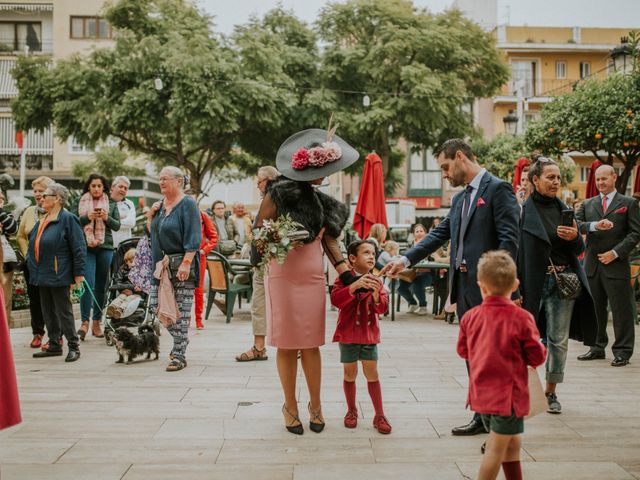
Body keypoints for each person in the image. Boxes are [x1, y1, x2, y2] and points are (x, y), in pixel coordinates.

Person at [381, 138, 520, 436]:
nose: (444, 174)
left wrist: (503, 288)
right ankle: (482, 416)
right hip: (464, 290)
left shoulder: (498, 189)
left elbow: (510, 242)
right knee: (473, 355)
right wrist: (404, 259)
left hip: (490, 292)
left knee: (494, 357)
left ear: (460, 157)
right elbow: (438, 235)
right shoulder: (459, 200)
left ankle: (500, 424)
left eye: (445, 166)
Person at [252, 127, 357, 435]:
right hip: (283, 275)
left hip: (312, 277)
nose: (324, 175)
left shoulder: (327, 203)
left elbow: (331, 243)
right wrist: (280, 237)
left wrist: (349, 276)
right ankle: (290, 406)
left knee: (311, 344)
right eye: (321, 169)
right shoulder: (278, 192)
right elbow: (259, 233)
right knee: (286, 344)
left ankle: (316, 405)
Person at [457, 251, 546, 480]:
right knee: (496, 449)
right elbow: (536, 356)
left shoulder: (470, 317)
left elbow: (462, 351)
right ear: (515, 284)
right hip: (509, 398)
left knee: (512, 443)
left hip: (481, 395)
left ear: (481, 286)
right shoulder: (522, 318)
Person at [518, 158, 597, 414]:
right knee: (523, 338)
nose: (555, 182)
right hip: (532, 282)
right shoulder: (521, 211)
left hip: (563, 282)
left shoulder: (564, 210)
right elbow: (515, 250)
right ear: (535, 180)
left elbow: (579, 250)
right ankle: (522, 388)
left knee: (558, 340)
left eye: (558, 178)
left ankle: (551, 392)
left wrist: (575, 237)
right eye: (550, 177)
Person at [575, 165, 640, 367]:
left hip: (616, 264)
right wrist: (595, 225)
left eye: (604, 179)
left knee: (622, 310)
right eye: (598, 179)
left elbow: (636, 233)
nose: (601, 183)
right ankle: (596, 347)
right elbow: (576, 224)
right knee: (594, 309)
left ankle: (622, 351)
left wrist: (615, 253)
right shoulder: (588, 204)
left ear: (614, 177)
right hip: (592, 265)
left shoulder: (629, 203)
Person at [331, 240, 391, 434]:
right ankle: (351, 411)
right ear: (352, 259)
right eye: (366, 252)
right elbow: (336, 300)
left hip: (368, 335)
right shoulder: (343, 279)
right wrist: (352, 287)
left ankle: (379, 414)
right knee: (350, 374)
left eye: (373, 253)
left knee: (372, 374)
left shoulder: (377, 281)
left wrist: (375, 295)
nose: (372, 256)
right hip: (347, 335)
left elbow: (382, 308)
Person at [148, 167, 201, 372]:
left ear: (178, 182)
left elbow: (194, 235)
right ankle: (182, 341)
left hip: (181, 264)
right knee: (156, 305)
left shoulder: (187, 203)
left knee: (181, 311)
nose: (161, 182)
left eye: (165, 179)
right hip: (161, 266)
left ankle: (179, 354)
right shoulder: (160, 205)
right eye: (159, 179)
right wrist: (151, 216)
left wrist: (187, 262)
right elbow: (151, 234)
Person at [29, 183, 86, 363]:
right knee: (47, 310)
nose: (41, 198)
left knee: (64, 311)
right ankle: (54, 343)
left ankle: (74, 345)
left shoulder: (68, 219)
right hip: (42, 271)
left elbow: (79, 247)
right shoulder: (43, 219)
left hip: (58, 271)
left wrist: (79, 273)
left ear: (58, 199)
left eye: (46, 195)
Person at [236, 166, 280, 362]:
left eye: (259, 181)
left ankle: (291, 346)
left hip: (272, 262)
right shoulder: (267, 201)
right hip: (260, 263)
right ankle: (259, 347)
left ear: (269, 180)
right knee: (258, 306)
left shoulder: (279, 200)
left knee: (278, 306)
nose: (257, 185)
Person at [76, 173, 121, 340]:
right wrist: (86, 217)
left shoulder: (111, 203)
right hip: (86, 247)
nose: (96, 188)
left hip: (105, 247)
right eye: (93, 185)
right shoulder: (80, 200)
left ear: (104, 188)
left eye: (99, 186)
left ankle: (96, 322)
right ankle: (84, 323)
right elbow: (73, 222)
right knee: (87, 283)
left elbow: (116, 225)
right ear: (89, 186)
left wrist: (106, 217)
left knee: (101, 285)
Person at [17, 176, 54, 348]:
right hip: (31, 263)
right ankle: (37, 332)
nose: (38, 195)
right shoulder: (29, 211)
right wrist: (27, 256)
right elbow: (20, 236)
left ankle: (56, 335)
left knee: (53, 299)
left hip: (51, 263)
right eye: (36, 191)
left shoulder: (57, 211)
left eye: (42, 191)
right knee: (34, 299)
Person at [397, 223, 433, 315]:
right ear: (413, 234)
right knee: (400, 287)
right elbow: (405, 256)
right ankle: (413, 303)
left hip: (426, 274)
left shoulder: (431, 244)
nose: (419, 233)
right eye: (417, 231)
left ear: (425, 233)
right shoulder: (411, 245)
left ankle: (423, 306)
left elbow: (433, 259)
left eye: (421, 231)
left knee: (417, 283)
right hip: (412, 273)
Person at [194, 205, 218, 329]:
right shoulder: (179, 212)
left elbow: (214, 237)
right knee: (182, 288)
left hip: (199, 257)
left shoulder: (203, 215)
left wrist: (204, 250)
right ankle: (184, 319)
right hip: (182, 256)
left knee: (198, 288)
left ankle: (198, 319)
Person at [106, 248, 142, 320]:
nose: (129, 263)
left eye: (131, 261)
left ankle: (120, 310)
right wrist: (122, 289)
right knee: (120, 297)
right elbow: (117, 281)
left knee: (128, 299)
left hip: (136, 293)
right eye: (127, 262)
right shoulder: (122, 270)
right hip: (124, 291)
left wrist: (141, 288)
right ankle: (112, 307)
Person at [0, 191, 18, 323]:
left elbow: (13, 229)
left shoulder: (5, 214)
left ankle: (4, 334)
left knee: (5, 299)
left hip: (4, 261)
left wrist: (0, 212)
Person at [110, 176, 137, 248]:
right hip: (107, 247)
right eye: (120, 186)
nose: (123, 190)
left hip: (125, 247)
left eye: (125, 188)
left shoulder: (129, 204)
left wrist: (111, 221)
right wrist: (120, 220)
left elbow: (131, 223)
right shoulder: (105, 201)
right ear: (113, 187)